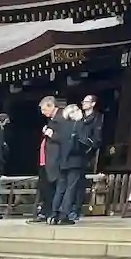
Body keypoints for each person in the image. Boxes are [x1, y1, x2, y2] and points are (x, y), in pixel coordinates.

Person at [52, 104, 88, 225]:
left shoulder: (62, 126)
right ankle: (64, 214)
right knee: (71, 188)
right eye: (78, 109)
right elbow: (83, 142)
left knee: (60, 188)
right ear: (72, 113)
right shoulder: (79, 124)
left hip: (63, 160)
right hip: (75, 160)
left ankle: (54, 214)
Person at [27, 97, 62, 224]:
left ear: (51, 105)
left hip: (53, 160)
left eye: (44, 109)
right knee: (44, 188)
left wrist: (49, 133)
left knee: (52, 187)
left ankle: (53, 212)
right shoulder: (51, 120)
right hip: (44, 160)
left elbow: (64, 138)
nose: (42, 112)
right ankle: (45, 211)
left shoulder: (61, 119)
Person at [71, 93, 104, 222]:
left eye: (86, 102)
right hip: (75, 150)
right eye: (83, 102)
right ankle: (69, 207)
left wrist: (89, 146)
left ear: (93, 104)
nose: (83, 104)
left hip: (87, 150)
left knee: (80, 181)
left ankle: (76, 208)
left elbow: (97, 137)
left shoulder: (97, 118)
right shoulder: (80, 117)